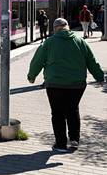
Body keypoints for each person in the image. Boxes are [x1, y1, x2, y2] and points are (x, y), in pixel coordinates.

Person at [27, 18, 105, 152]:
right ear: (68, 27)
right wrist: (99, 77)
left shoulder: (49, 43)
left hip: (55, 84)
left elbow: (37, 61)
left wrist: (32, 76)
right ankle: (74, 140)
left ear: (55, 28)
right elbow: (92, 61)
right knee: (73, 110)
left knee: (57, 113)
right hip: (77, 85)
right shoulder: (80, 42)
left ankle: (61, 144)